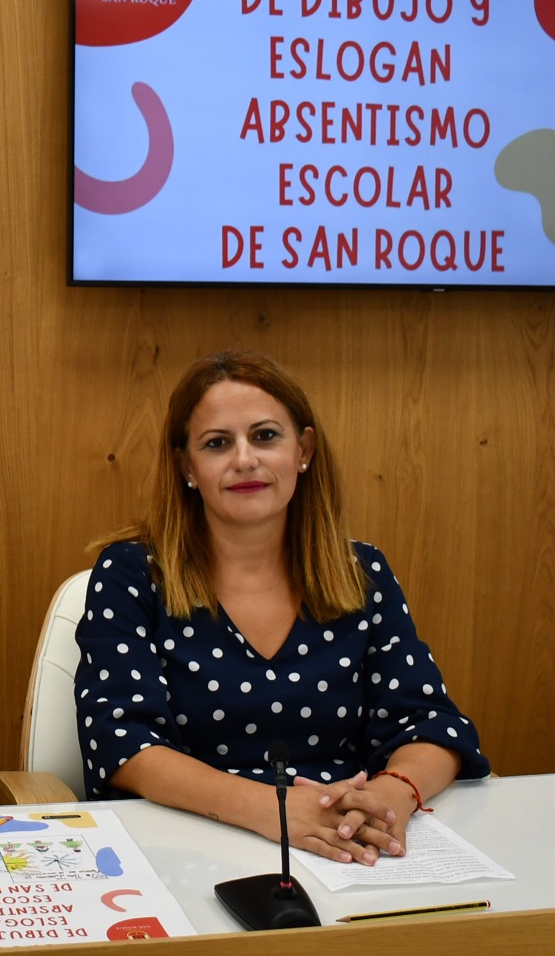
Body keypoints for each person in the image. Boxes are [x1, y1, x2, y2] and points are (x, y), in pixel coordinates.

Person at [74, 351, 488, 865]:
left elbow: (431, 725)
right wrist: (274, 811)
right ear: (187, 467)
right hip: (188, 846)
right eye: (217, 443)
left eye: (265, 436)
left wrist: (388, 799)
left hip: (347, 845)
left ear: (303, 450)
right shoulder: (133, 574)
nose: (245, 459)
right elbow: (122, 742)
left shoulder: (362, 573)